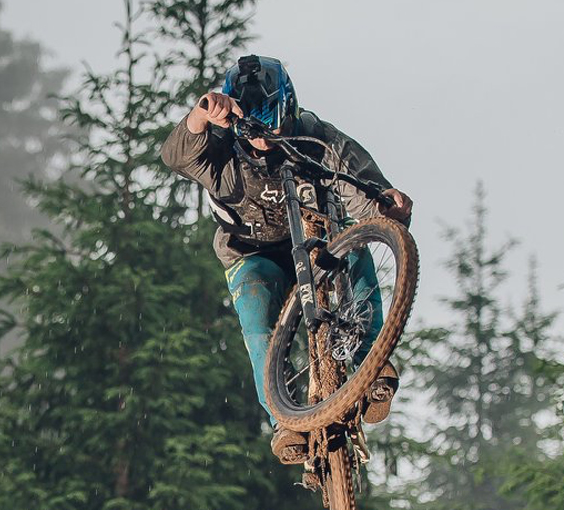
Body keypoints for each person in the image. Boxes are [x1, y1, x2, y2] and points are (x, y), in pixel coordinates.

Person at [159, 54, 412, 468]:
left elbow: (366, 194)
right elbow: (174, 156)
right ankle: (286, 419)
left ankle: (374, 361)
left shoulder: (318, 139)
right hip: (252, 254)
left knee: (356, 250)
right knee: (257, 318)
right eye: (253, 131)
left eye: (272, 127)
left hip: (318, 238)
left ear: (289, 109)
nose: (263, 141)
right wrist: (200, 115)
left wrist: (390, 206)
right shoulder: (218, 152)